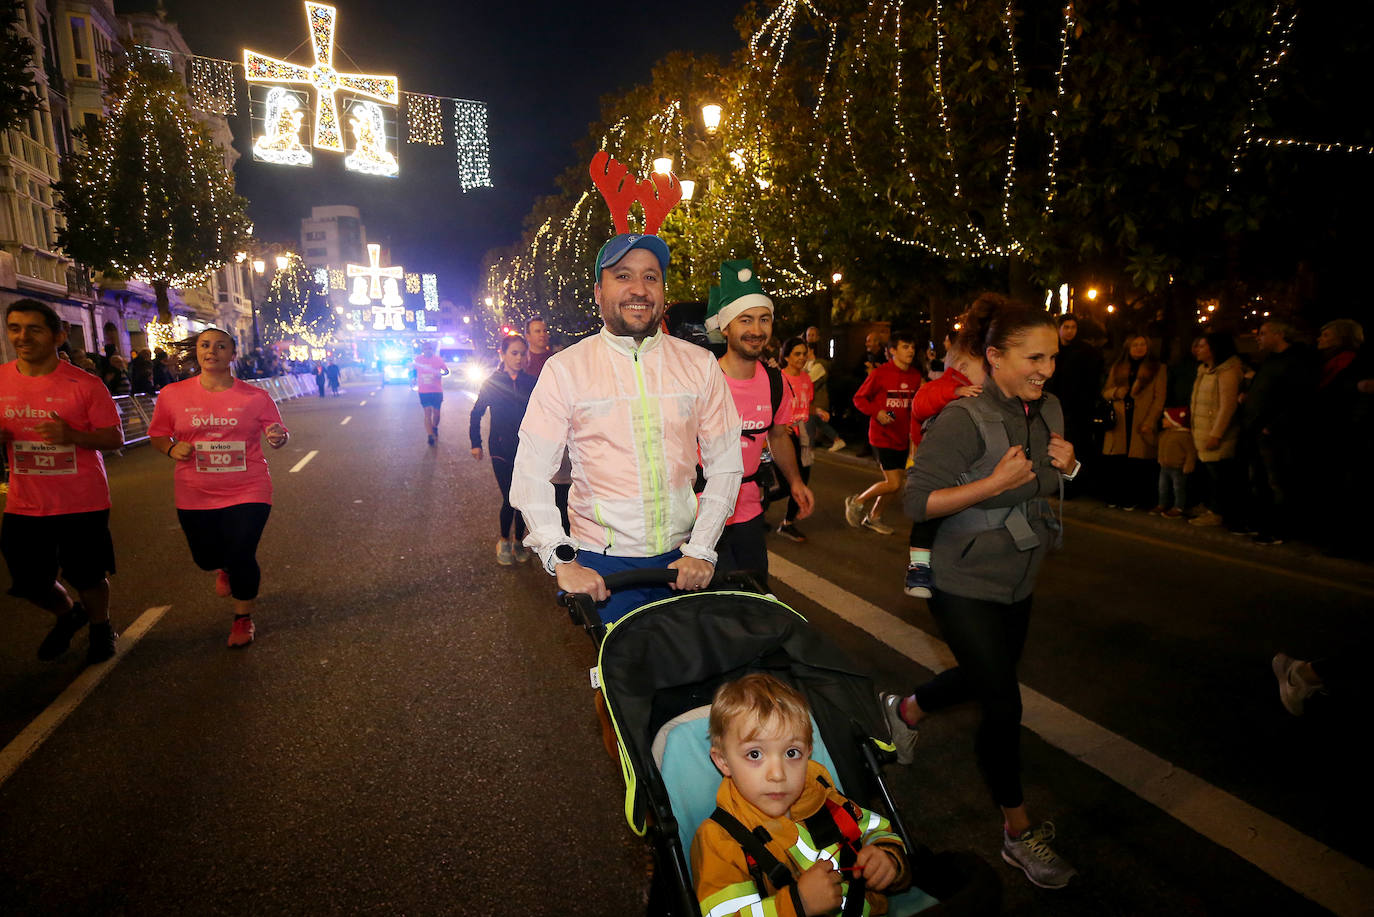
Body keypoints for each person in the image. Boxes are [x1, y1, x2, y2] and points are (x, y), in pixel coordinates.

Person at [882, 297, 1080, 889]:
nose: (1045, 369)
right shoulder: (962, 419)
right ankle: (1018, 833)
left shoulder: (1052, 410)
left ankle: (906, 710)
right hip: (960, 579)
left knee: (979, 675)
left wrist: (1070, 470)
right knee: (1003, 701)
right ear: (994, 357)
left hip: (1019, 575)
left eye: (1052, 357)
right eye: (1032, 357)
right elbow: (917, 502)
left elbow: (1044, 477)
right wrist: (992, 483)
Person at [510, 215, 743, 625]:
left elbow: (725, 464)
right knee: (620, 683)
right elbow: (530, 473)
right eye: (623, 276)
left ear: (663, 290)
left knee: (684, 676)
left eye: (651, 277)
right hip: (602, 566)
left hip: (680, 561)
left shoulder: (700, 365)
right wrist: (561, 557)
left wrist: (701, 548)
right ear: (600, 292)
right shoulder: (566, 369)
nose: (639, 289)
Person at [692, 673, 908, 917]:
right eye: (755, 755)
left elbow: (875, 828)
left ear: (808, 753)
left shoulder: (824, 798)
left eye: (792, 753)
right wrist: (796, 904)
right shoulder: (720, 840)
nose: (777, 774)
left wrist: (887, 858)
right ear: (723, 762)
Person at [148, 329, 290, 649]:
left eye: (221, 346)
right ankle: (222, 566)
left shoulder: (256, 397)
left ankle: (242, 618)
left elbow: (278, 433)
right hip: (195, 491)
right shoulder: (172, 394)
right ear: (198, 352)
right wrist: (171, 450)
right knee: (205, 558)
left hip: (248, 487)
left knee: (242, 553)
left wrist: (278, 437)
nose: (212, 351)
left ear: (232, 354)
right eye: (205, 345)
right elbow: (158, 435)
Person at [1, 299, 124, 664]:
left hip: (81, 500)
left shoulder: (85, 385)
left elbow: (114, 438)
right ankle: (68, 614)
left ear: (57, 335)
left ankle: (101, 628)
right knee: (28, 581)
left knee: (88, 575)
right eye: (14, 328)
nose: (22, 337)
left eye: (33, 329)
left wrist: (71, 434)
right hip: (25, 502)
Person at [708, 261, 814, 582]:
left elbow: (779, 436)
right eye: (745, 319)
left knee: (755, 600)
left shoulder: (776, 383)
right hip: (700, 515)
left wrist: (795, 482)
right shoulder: (702, 379)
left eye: (763, 319)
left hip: (750, 513)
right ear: (726, 327)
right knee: (713, 612)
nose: (756, 330)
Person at [900, 302, 989, 598]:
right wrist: (956, 393)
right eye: (987, 365)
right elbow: (921, 404)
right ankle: (918, 569)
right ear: (962, 368)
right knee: (926, 517)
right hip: (930, 464)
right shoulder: (947, 384)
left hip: (958, 468)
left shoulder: (984, 392)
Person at [1238, 320, 1313, 544]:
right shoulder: (1270, 360)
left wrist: (1273, 424)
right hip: (1257, 428)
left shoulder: (1295, 362)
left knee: (1277, 481)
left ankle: (1280, 529)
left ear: (1279, 334)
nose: (1258, 338)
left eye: (1263, 333)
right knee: (1259, 480)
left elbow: (1297, 399)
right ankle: (1263, 524)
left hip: (1274, 432)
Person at [844, 330, 922, 535]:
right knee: (894, 482)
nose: (911, 351)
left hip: (902, 437)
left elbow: (914, 408)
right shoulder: (880, 373)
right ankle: (857, 501)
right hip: (882, 436)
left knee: (895, 485)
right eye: (905, 347)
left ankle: (874, 517)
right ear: (892, 351)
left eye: (912, 347)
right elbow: (859, 399)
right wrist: (877, 412)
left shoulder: (915, 376)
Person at [470, 334, 536, 566]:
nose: (518, 358)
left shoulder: (532, 382)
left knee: (525, 499)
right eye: (513, 353)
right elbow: (476, 413)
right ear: (503, 354)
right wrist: (475, 443)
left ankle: (519, 540)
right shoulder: (492, 382)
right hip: (501, 448)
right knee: (510, 498)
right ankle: (503, 541)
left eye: (522, 353)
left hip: (528, 449)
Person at [1099, 334, 1167, 510]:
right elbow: (1106, 391)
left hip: (1141, 419)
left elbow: (1159, 399)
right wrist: (1116, 392)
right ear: (1128, 348)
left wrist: (1150, 421)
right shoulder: (1118, 367)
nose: (1139, 347)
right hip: (1120, 420)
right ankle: (1116, 496)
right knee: (1117, 461)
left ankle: (1136, 499)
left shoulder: (1157, 369)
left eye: (1142, 344)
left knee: (1139, 462)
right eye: (1135, 344)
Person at [1188, 331, 1243, 528]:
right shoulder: (1205, 370)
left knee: (1219, 475)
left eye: (1202, 346)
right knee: (1210, 473)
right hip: (1203, 429)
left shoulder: (1226, 371)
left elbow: (1227, 405)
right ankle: (1211, 506)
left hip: (1216, 433)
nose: (1197, 350)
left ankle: (1219, 512)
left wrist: (1216, 433)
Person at [1043, 315, 1102, 496]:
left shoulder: (1084, 352)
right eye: (1066, 327)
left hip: (1076, 410)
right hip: (1053, 406)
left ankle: (1073, 486)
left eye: (1073, 327)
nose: (1070, 331)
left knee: (1075, 448)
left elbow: (1090, 381)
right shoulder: (1052, 350)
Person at [778, 336, 819, 543]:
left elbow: (806, 405)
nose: (802, 358)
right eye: (797, 354)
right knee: (785, 485)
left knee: (802, 480)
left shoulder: (806, 379)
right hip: (784, 437)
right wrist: (780, 425)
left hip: (803, 436)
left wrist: (817, 412)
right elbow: (771, 407)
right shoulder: (779, 378)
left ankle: (788, 523)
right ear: (786, 357)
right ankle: (757, 504)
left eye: (804, 354)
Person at [1153, 407, 1196, 517]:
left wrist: (1188, 465)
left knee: (1178, 489)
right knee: (1162, 487)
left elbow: (1190, 452)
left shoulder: (1184, 436)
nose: (1163, 420)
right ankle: (1162, 504)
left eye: (1166, 418)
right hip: (1164, 466)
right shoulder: (1164, 434)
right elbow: (1155, 444)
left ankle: (1178, 507)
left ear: (1174, 421)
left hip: (1178, 468)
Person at [410, 341, 449, 446]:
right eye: (425, 348)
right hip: (424, 391)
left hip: (437, 390)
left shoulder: (438, 359)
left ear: (432, 350)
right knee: (427, 412)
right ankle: (430, 435)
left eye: (429, 348)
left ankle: (435, 427)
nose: (427, 350)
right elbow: (414, 370)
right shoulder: (418, 359)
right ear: (423, 350)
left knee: (436, 413)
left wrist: (440, 373)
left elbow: (446, 371)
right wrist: (413, 378)